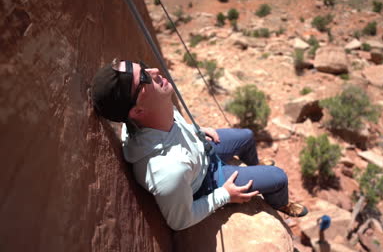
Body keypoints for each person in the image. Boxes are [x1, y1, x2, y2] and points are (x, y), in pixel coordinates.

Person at [91, 58, 308, 230]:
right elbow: (180, 221)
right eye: (146, 78)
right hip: (206, 180)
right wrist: (224, 195)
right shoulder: (167, 170)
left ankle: (254, 166)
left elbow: (169, 129)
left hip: (200, 150)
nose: (155, 72)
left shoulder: (153, 109)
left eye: (145, 67)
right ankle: (280, 204)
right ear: (137, 111)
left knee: (247, 136)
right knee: (278, 177)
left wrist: (195, 131)